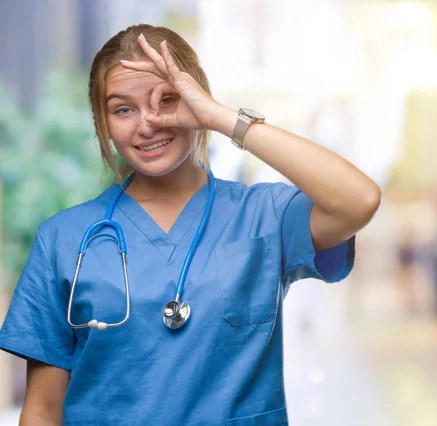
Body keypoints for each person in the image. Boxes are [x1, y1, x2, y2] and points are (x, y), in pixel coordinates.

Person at [0, 24, 380, 425]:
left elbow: (360, 200)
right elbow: (42, 411)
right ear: (104, 122)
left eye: (168, 99)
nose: (148, 123)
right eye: (123, 109)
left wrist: (222, 118)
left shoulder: (264, 216)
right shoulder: (64, 239)